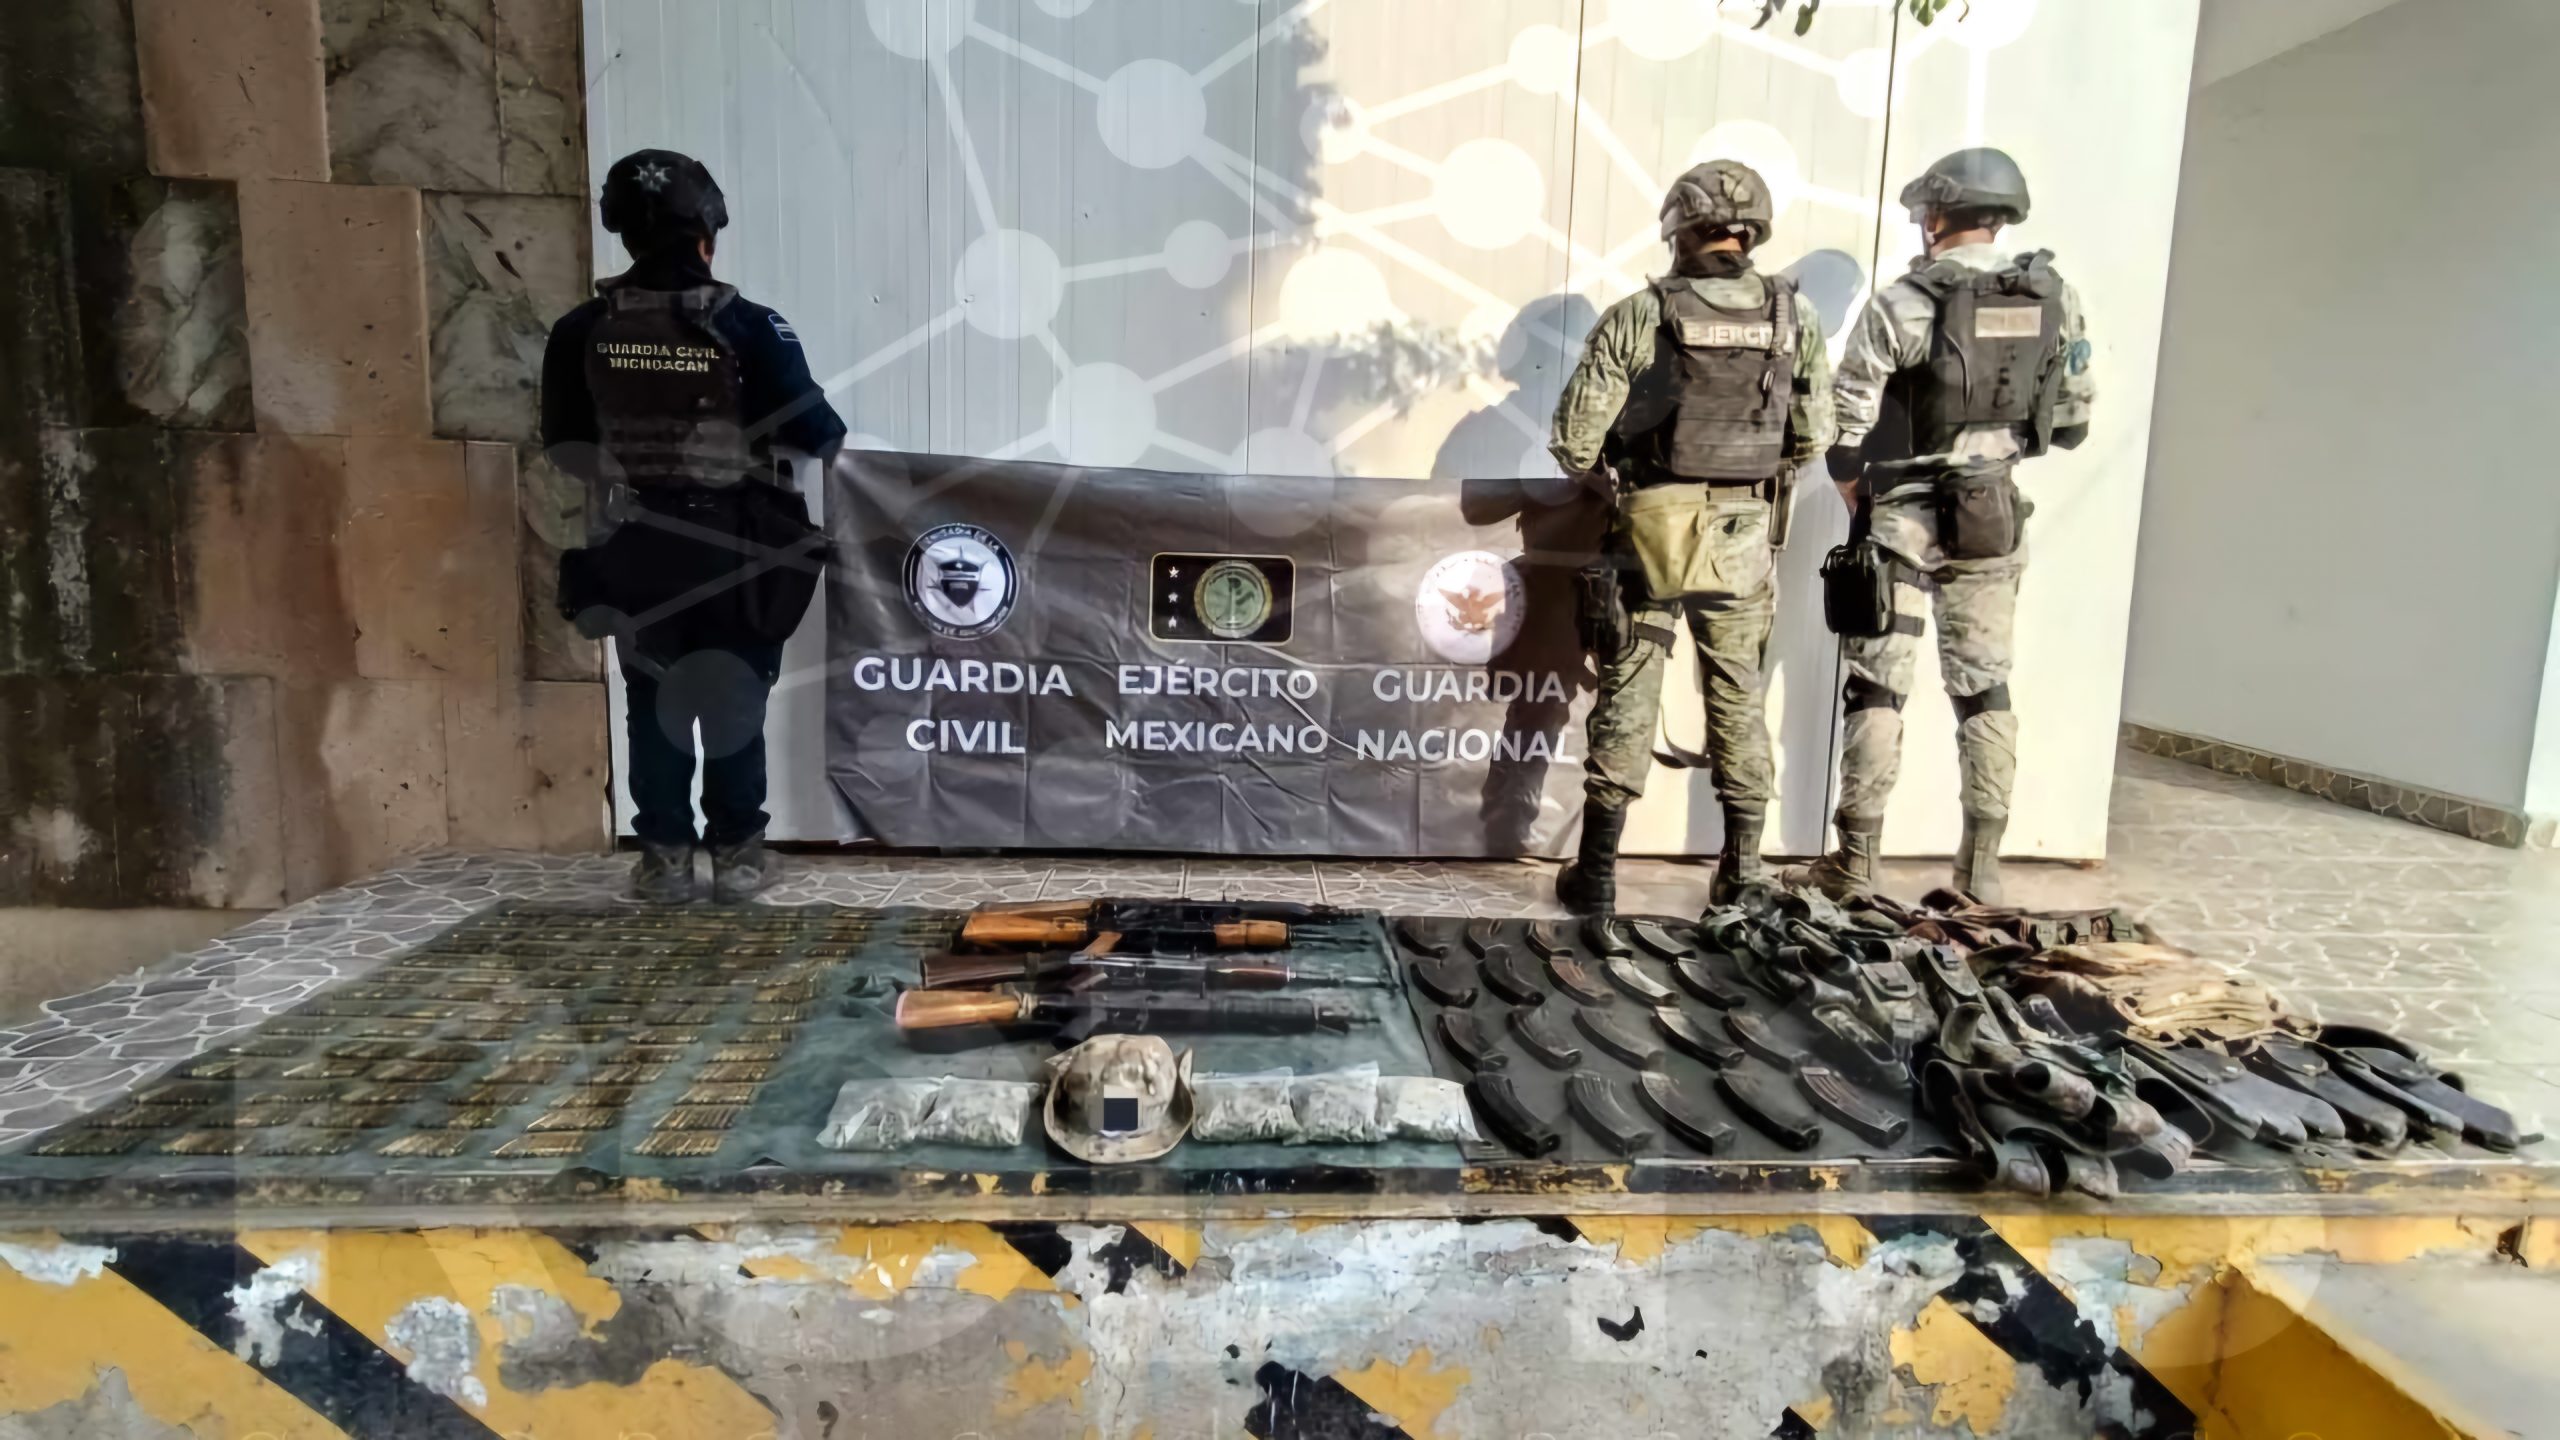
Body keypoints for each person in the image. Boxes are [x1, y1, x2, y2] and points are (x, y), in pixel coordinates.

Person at [541, 150, 847, 904]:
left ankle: (665, 861)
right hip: (736, 550)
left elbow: (564, 445)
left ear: (622, 232)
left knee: (653, 705)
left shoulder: (579, 330)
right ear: (708, 232)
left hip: (634, 549)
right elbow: (820, 432)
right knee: (735, 698)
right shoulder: (751, 326)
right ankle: (739, 858)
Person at [1801, 147, 2095, 905]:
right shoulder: (2055, 296)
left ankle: (1856, 863)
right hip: (1993, 519)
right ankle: (1981, 869)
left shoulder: (1903, 301)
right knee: (1985, 691)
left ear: (1936, 216)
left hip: (1900, 520)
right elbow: (2072, 423)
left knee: (1877, 689)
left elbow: (1845, 428)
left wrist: (1856, 492)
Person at [1547, 161, 1837, 914]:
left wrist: (1622, 477)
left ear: (1679, 229)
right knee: (1738, 696)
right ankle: (1743, 875)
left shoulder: (1641, 314)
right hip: (1744, 540)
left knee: (1629, 688)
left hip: (1651, 532)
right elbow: (1815, 436)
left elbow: (1574, 443)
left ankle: (1597, 875)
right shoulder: (1794, 318)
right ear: (1752, 233)